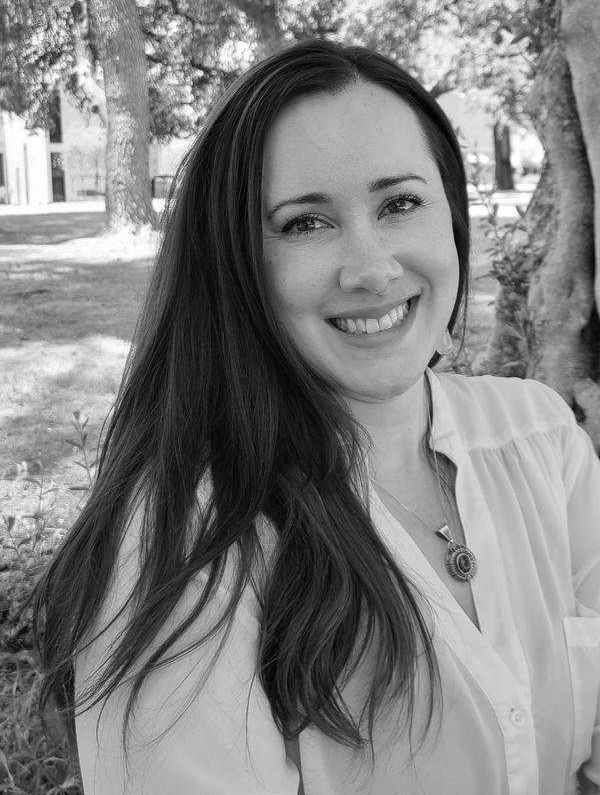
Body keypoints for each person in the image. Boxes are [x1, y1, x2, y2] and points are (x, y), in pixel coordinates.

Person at [33, 39, 600, 795]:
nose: (371, 268)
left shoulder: (539, 437)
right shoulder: (191, 542)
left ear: (453, 219)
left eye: (400, 203)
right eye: (305, 223)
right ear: (236, 263)